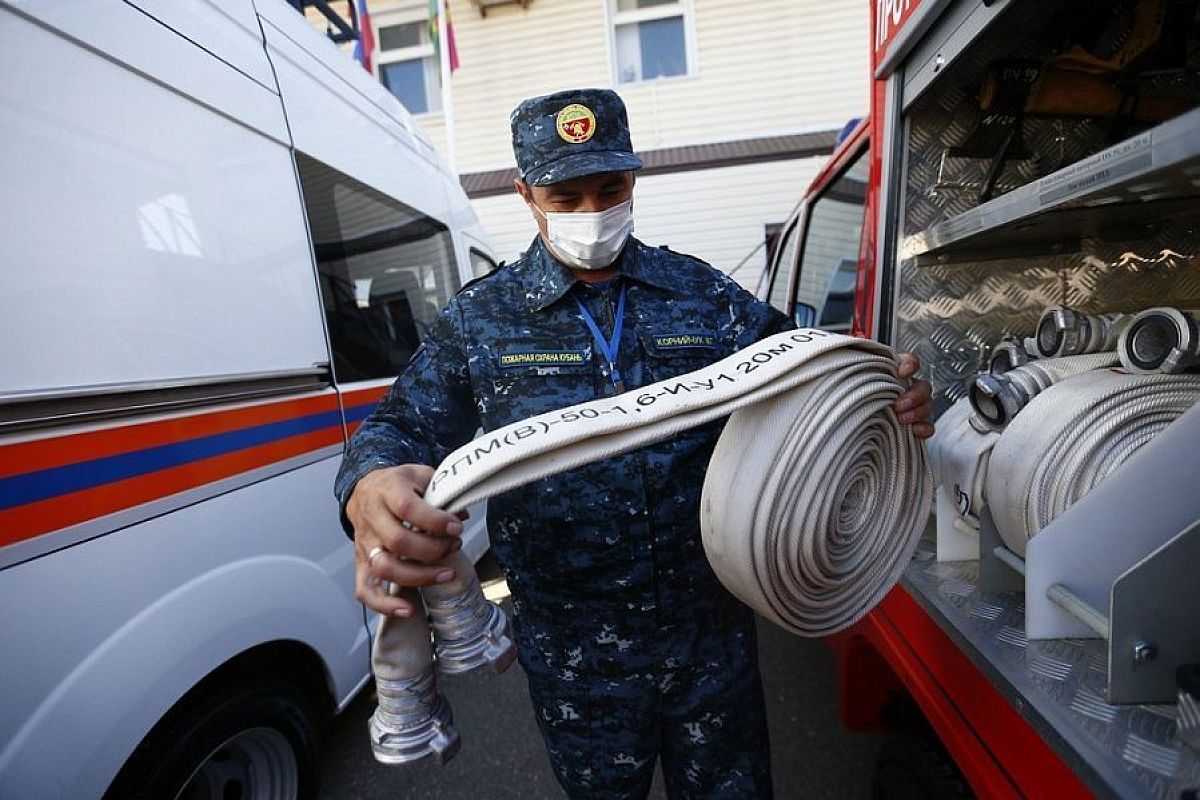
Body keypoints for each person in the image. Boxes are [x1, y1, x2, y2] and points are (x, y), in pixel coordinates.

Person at [335, 87, 934, 799]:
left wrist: (884, 392)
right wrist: (371, 485)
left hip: (712, 640)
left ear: (633, 180)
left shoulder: (700, 293)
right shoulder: (480, 320)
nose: (592, 213)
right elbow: (399, 426)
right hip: (576, 662)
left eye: (608, 188)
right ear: (526, 193)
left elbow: (809, 369)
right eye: (566, 194)